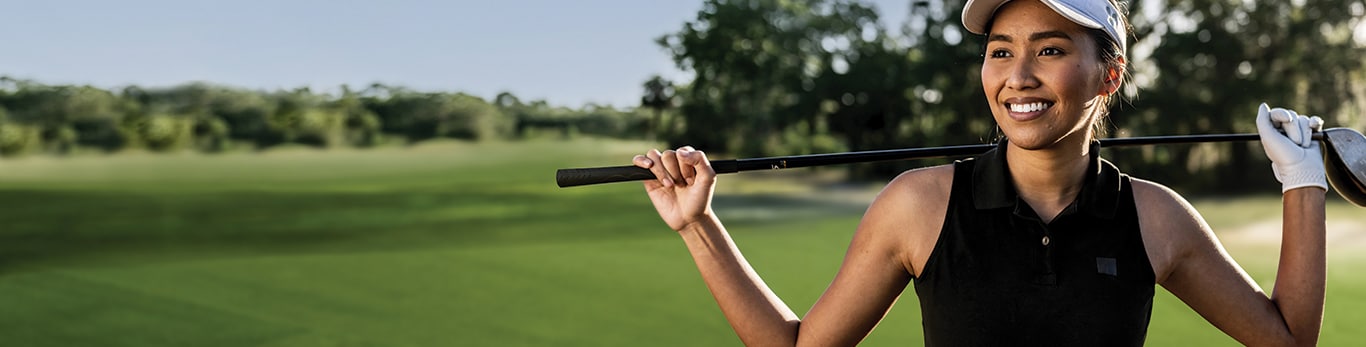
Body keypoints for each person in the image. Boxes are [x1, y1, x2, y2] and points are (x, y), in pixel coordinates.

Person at [631, 0, 1327, 345]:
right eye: (1000, 51)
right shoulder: (920, 204)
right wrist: (699, 225)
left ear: (1109, 73)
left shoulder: (1155, 215)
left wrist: (1301, 181)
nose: (1018, 76)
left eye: (1050, 49)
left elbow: (1287, 338)